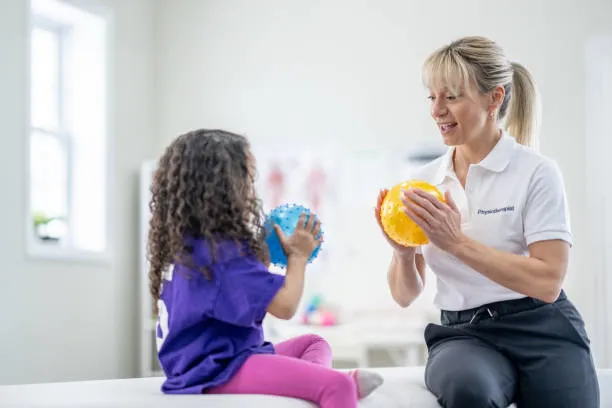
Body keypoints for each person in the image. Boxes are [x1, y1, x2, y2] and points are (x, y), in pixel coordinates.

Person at [376, 36, 599, 407]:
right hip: (465, 336)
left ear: (494, 98)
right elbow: (404, 296)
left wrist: (457, 243)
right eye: (432, 97)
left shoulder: (536, 172)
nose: (437, 110)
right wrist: (401, 253)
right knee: (470, 389)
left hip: (543, 327)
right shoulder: (426, 181)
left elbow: (547, 282)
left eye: (451, 97)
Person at [147, 129, 383, 407]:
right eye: (246, 179)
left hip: (206, 362)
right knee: (338, 386)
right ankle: (338, 384)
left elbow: (236, 293)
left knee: (314, 344)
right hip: (218, 371)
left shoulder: (188, 247)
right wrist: (298, 257)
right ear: (222, 188)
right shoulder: (221, 255)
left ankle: (310, 383)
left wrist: (265, 253)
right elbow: (285, 306)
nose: (251, 190)